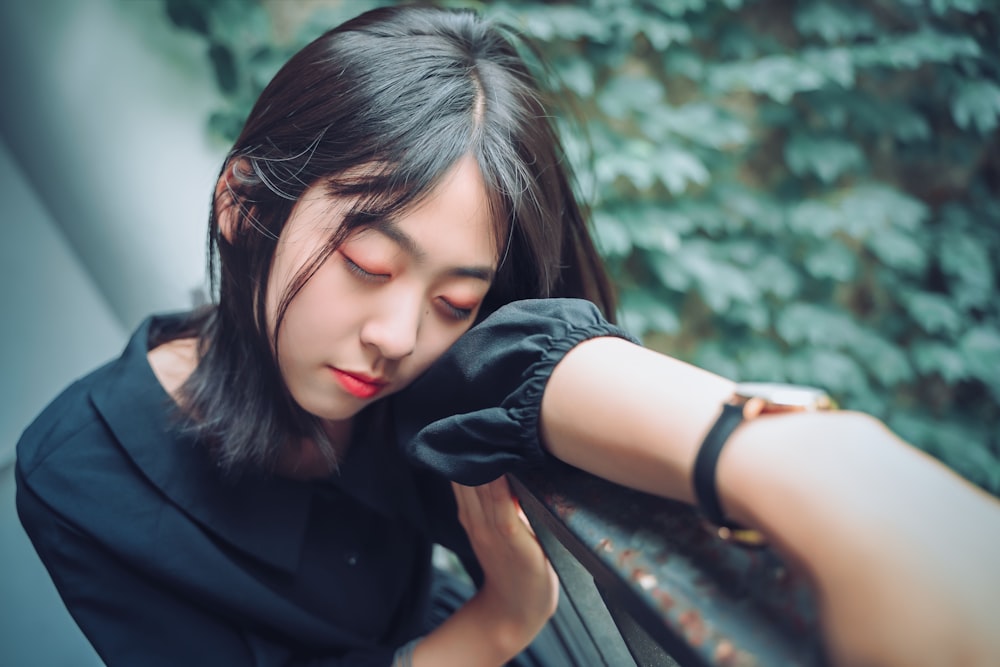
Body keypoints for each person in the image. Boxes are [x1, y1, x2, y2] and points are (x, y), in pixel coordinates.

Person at [14, 5, 999, 667]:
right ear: (242, 204)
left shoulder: (421, 368)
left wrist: (800, 459)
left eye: (454, 298)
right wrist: (494, 624)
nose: (398, 335)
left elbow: (533, 363)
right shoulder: (80, 475)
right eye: (366, 261)